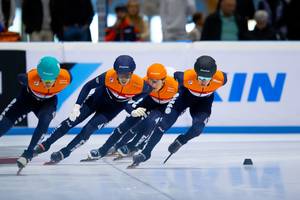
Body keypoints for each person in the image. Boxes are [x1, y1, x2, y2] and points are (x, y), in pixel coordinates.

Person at [34, 55, 152, 164]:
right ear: (116, 72)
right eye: (121, 74)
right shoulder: (108, 76)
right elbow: (88, 86)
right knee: (70, 121)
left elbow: (147, 92)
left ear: (132, 73)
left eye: (128, 75)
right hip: (95, 101)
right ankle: (46, 144)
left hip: (109, 111)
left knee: (87, 130)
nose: (124, 78)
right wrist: (77, 106)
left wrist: (132, 105)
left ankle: (65, 152)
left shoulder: (141, 84)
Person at [129, 55, 227, 167]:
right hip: (183, 100)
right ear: (195, 74)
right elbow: (171, 76)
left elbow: (223, 76)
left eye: (207, 79)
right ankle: (146, 153)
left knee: (197, 129)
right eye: (200, 78)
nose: (203, 82)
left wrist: (182, 141)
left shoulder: (221, 78)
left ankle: (181, 140)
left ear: (213, 76)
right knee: (162, 125)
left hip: (203, 104)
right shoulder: (185, 77)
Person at [86, 63, 178, 160]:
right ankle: (105, 148)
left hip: (162, 107)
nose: (151, 84)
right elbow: (130, 101)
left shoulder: (175, 86)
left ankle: (133, 146)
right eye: (150, 79)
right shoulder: (144, 83)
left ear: (164, 80)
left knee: (149, 122)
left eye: (155, 81)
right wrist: (132, 111)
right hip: (148, 101)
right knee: (129, 123)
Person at [0, 56, 71, 171]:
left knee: (45, 121)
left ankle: (28, 153)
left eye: (51, 79)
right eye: (45, 79)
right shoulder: (30, 77)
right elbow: (20, 77)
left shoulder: (66, 77)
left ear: (57, 75)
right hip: (26, 100)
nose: (48, 82)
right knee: (3, 124)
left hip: (47, 103)